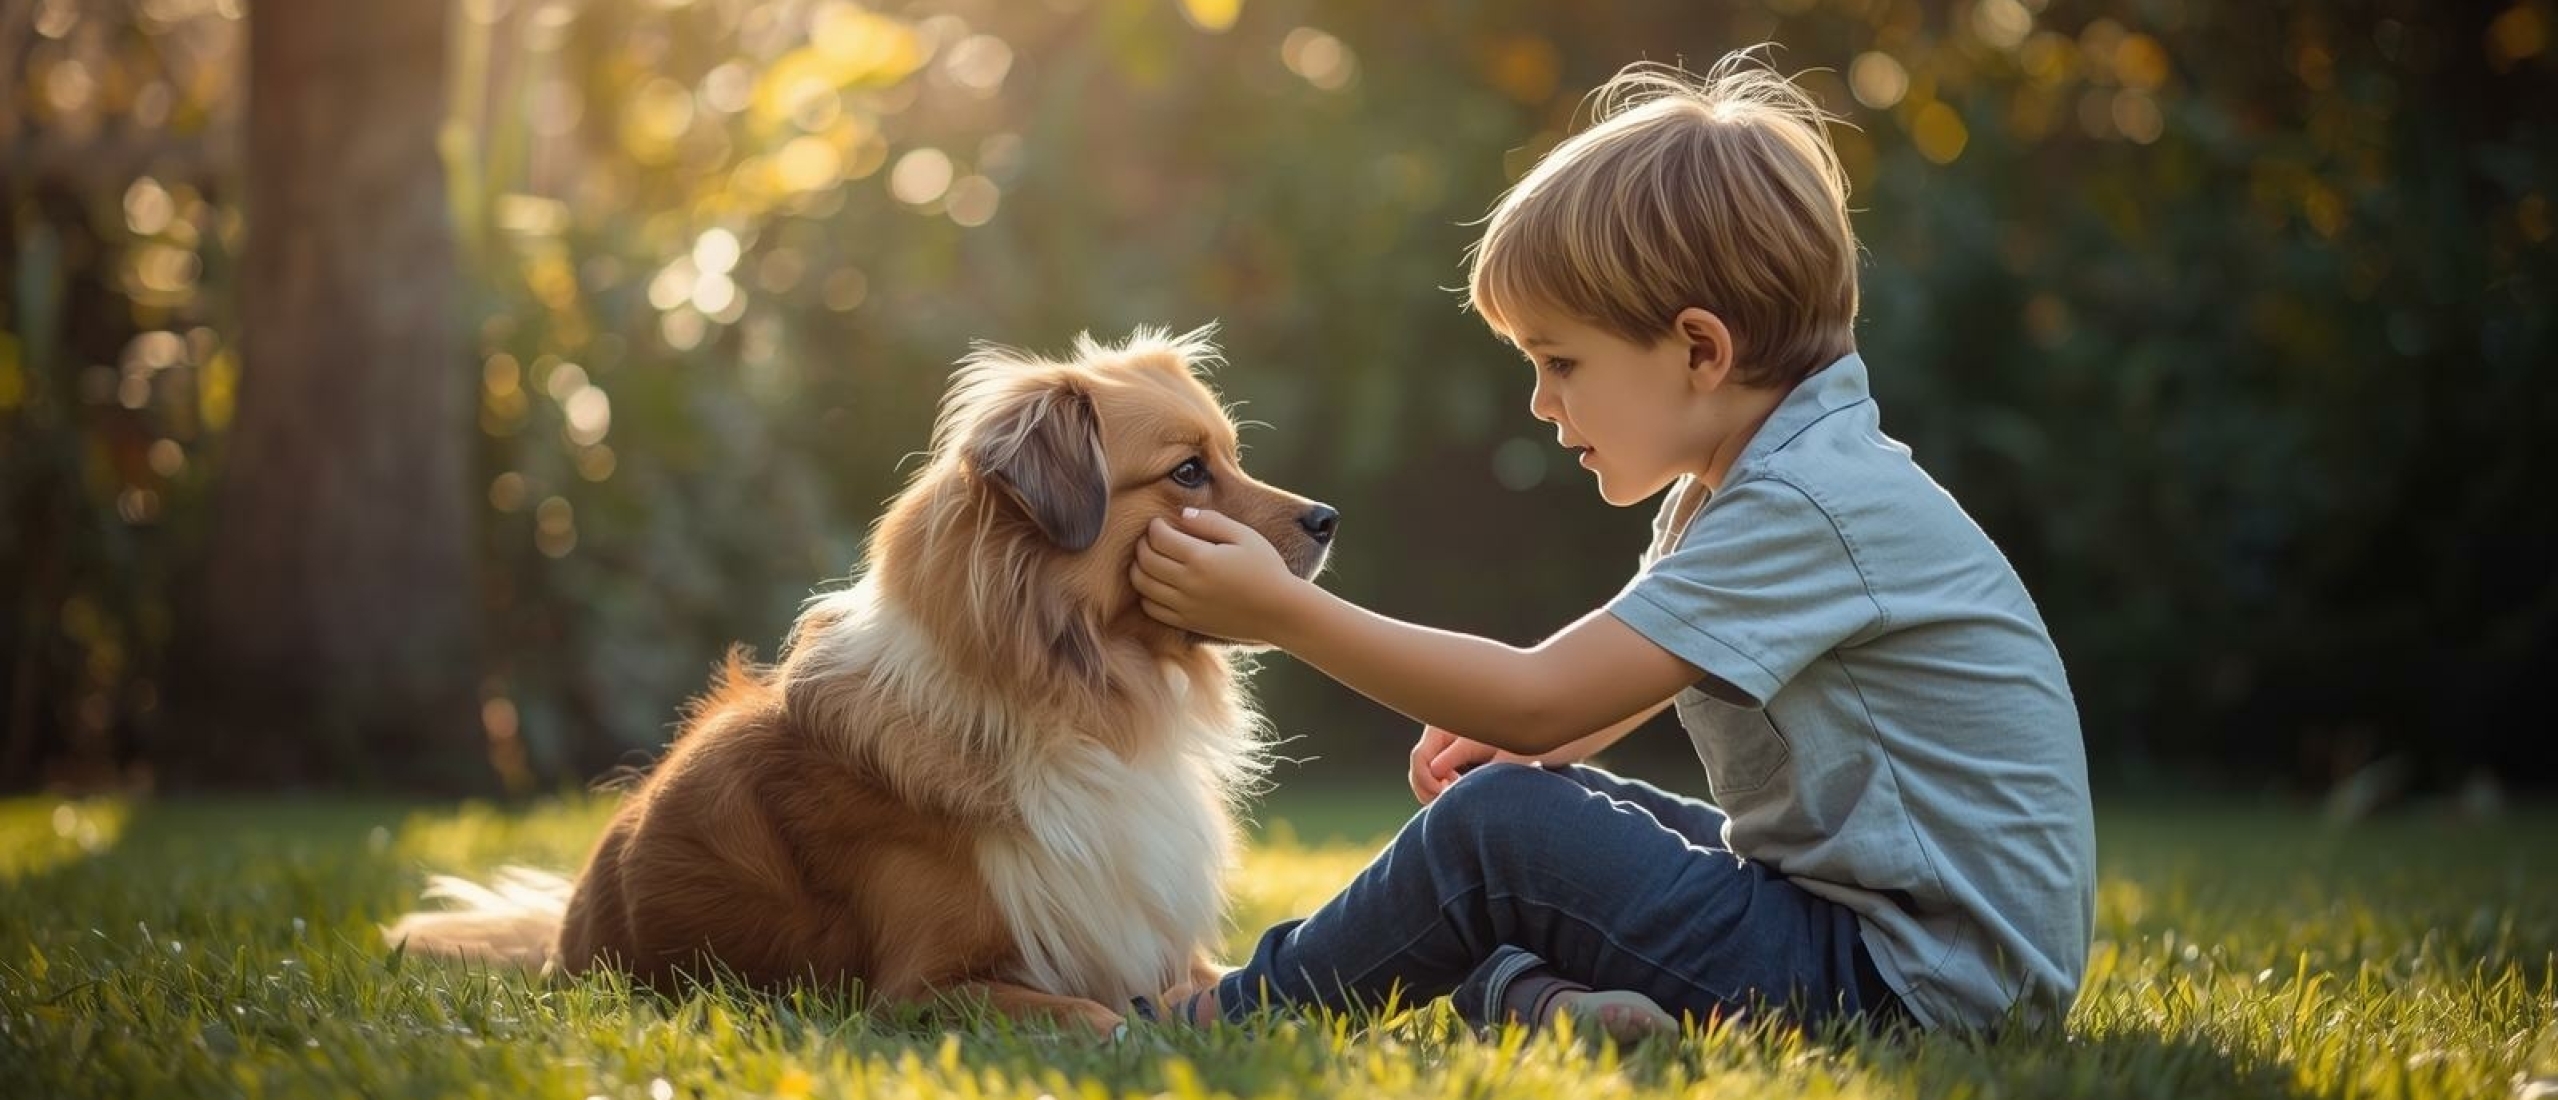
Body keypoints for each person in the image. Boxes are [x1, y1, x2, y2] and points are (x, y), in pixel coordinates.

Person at [1126, 52, 2096, 1041]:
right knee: (1517, 819)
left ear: (1700, 351)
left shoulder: (1808, 502)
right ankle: (1557, 1008)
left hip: (1904, 983)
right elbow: (1600, 689)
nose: (1542, 402)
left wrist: (1284, 613)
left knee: (1497, 830)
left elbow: (1541, 690)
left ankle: (1217, 1011)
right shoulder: (1754, 483)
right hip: (1868, 943)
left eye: (1560, 362)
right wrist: (1534, 747)